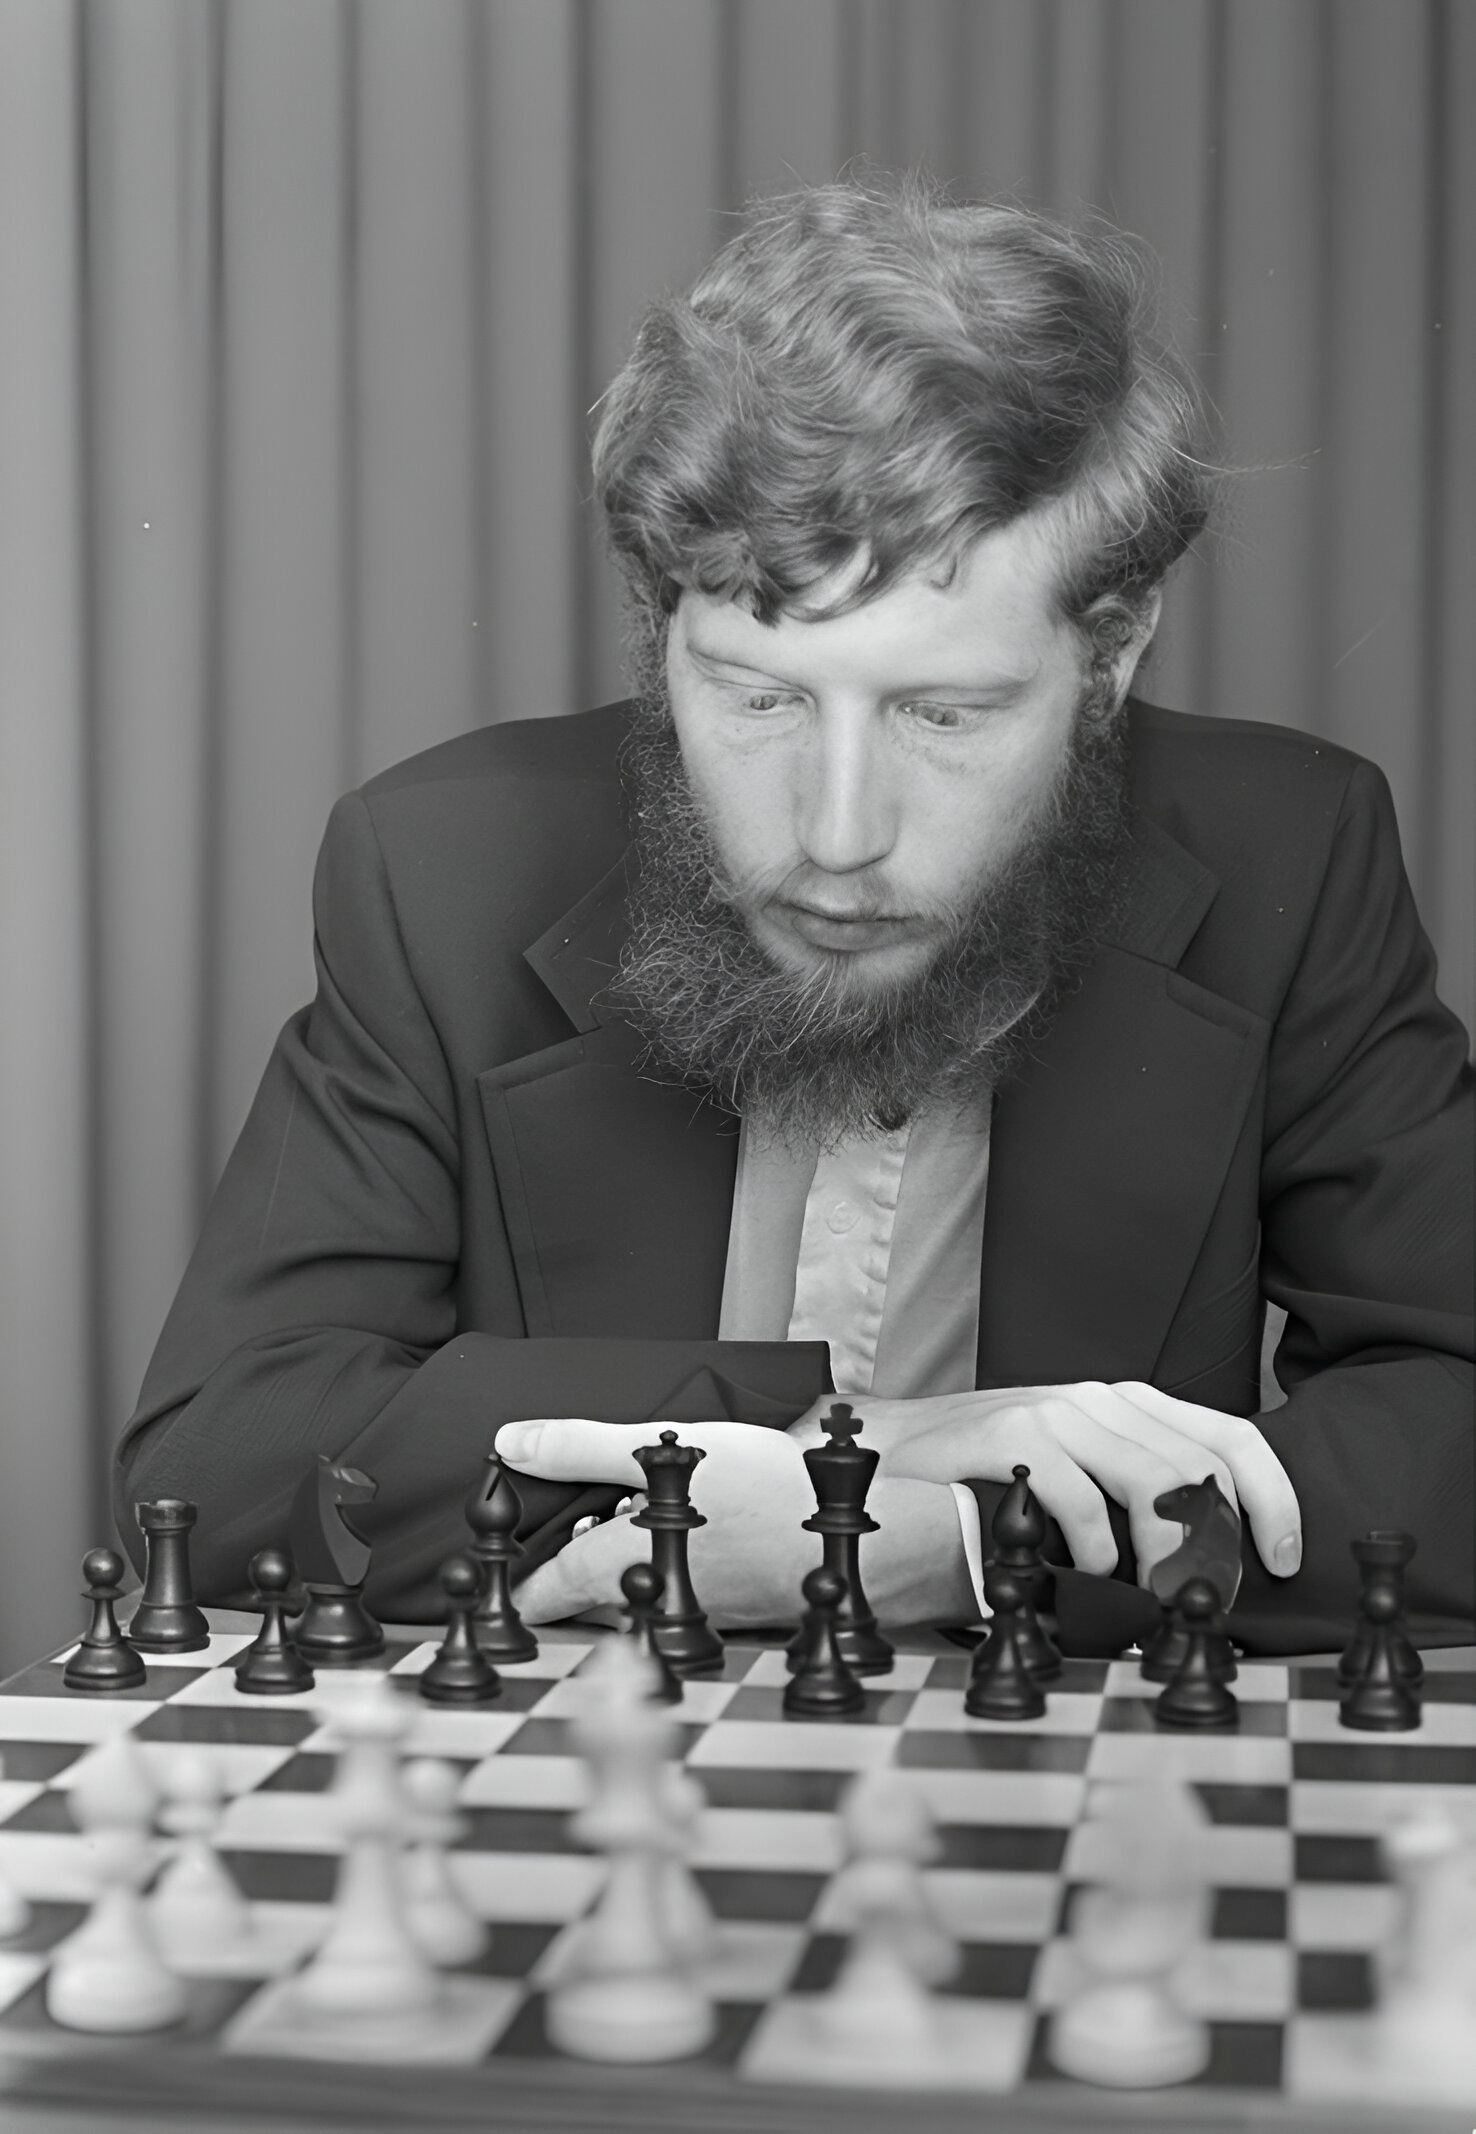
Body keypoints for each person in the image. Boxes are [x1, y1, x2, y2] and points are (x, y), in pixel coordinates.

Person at [113, 176, 1473, 1656]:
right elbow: (219, 1471)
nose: (837, 835)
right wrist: (851, 1446)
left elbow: (1454, 1423)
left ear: (1114, 648)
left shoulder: (1299, 852)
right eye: (758, 697)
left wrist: (959, 1544)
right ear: (658, 632)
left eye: (946, 713)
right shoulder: (431, 865)